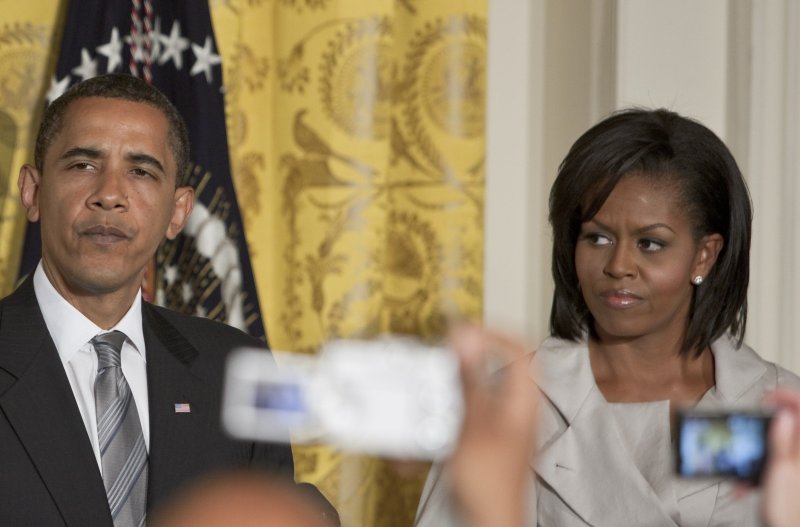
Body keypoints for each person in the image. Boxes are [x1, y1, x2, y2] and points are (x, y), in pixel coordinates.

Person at [415, 108, 800, 526]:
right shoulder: (505, 407)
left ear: (704, 255)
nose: (618, 265)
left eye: (650, 244)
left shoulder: (778, 407)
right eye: (597, 237)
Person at [0, 73, 335, 527]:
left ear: (178, 211)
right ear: (33, 192)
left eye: (141, 171)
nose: (110, 195)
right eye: (83, 165)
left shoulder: (238, 367)